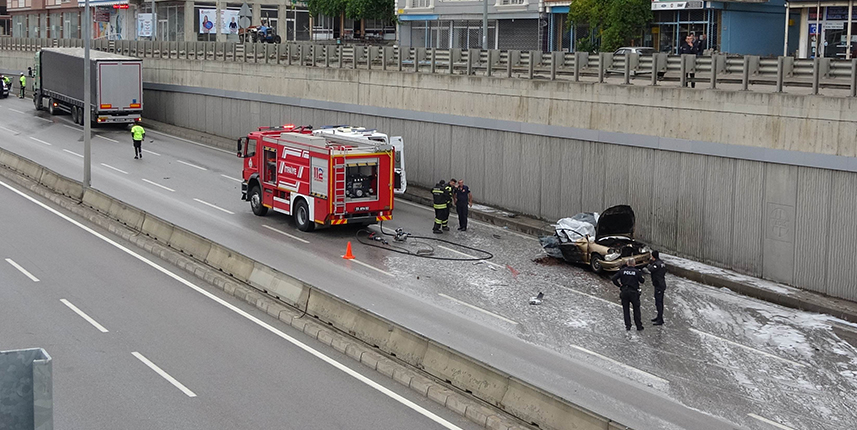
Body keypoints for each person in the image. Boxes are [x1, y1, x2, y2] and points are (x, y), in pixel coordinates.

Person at [611, 259, 645, 331]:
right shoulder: (636, 272)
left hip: (625, 292)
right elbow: (642, 281)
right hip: (634, 293)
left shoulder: (622, 271)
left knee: (626, 309)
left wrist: (619, 285)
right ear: (634, 264)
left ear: (627, 263)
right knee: (636, 309)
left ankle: (628, 325)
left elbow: (614, 278)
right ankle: (639, 326)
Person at [647, 251, 667, 326]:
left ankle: (660, 319)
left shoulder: (656, 264)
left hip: (659, 285)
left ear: (653, 256)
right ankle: (659, 317)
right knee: (658, 302)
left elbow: (651, 269)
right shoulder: (662, 263)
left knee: (659, 302)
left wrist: (649, 264)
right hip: (661, 283)